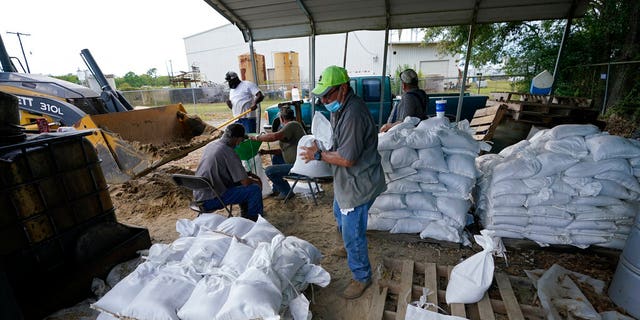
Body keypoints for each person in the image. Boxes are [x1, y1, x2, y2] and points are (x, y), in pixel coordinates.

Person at [300, 65, 386, 299]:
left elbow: (347, 159)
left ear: (344, 88)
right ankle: (349, 247)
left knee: (352, 231)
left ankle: (361, 276)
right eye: (322, 95)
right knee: (339, 211)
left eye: (328, 94)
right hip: (347, 181)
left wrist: (318, 155)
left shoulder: (353, 114)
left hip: (359, 181)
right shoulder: (340, 107)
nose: (325, 99)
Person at [193, 123, 263, 221]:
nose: (240, 143)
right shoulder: (229, 152)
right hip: (212, 199)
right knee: (254, 189)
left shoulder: (211, 145)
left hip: (199, 195)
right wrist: (257, 181)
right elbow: (245, 182)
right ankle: (253, 220)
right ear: (238, 139)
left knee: (241, 185)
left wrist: (245, 176)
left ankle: (246, 215)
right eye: (241, 140)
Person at [249, 107, 306, 200]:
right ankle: (278, 189)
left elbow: (274, 136)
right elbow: (284, 150)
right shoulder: (293, 126)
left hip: (298, 167)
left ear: (281, 119)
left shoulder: (292, 125)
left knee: (269, 171)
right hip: (296, 163)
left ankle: (286, 192)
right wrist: (266, 152)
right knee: (276, 158)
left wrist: (256, 138)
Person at [380, 68, 428, 132]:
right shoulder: (422, 93)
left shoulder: (408, 97)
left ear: (404, 85)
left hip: (407, 133)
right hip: (419, 130)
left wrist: (388, 126)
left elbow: (405, 122)